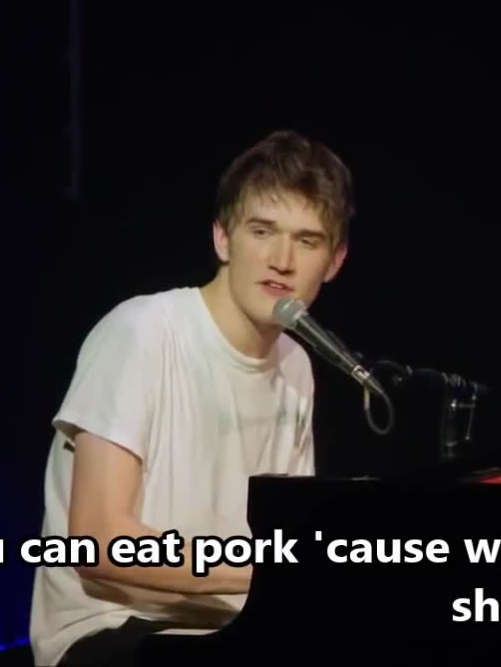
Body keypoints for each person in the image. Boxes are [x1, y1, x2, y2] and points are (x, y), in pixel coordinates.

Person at [29, 129, 354, 666]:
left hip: (227, 629)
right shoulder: (143, 332)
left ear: (335, 261)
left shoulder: (296, 366)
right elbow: (98, 542)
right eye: (262, 231)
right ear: (223, 239)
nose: (282, 259)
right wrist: (261, 569)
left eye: (307, 241)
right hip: (113, 631)